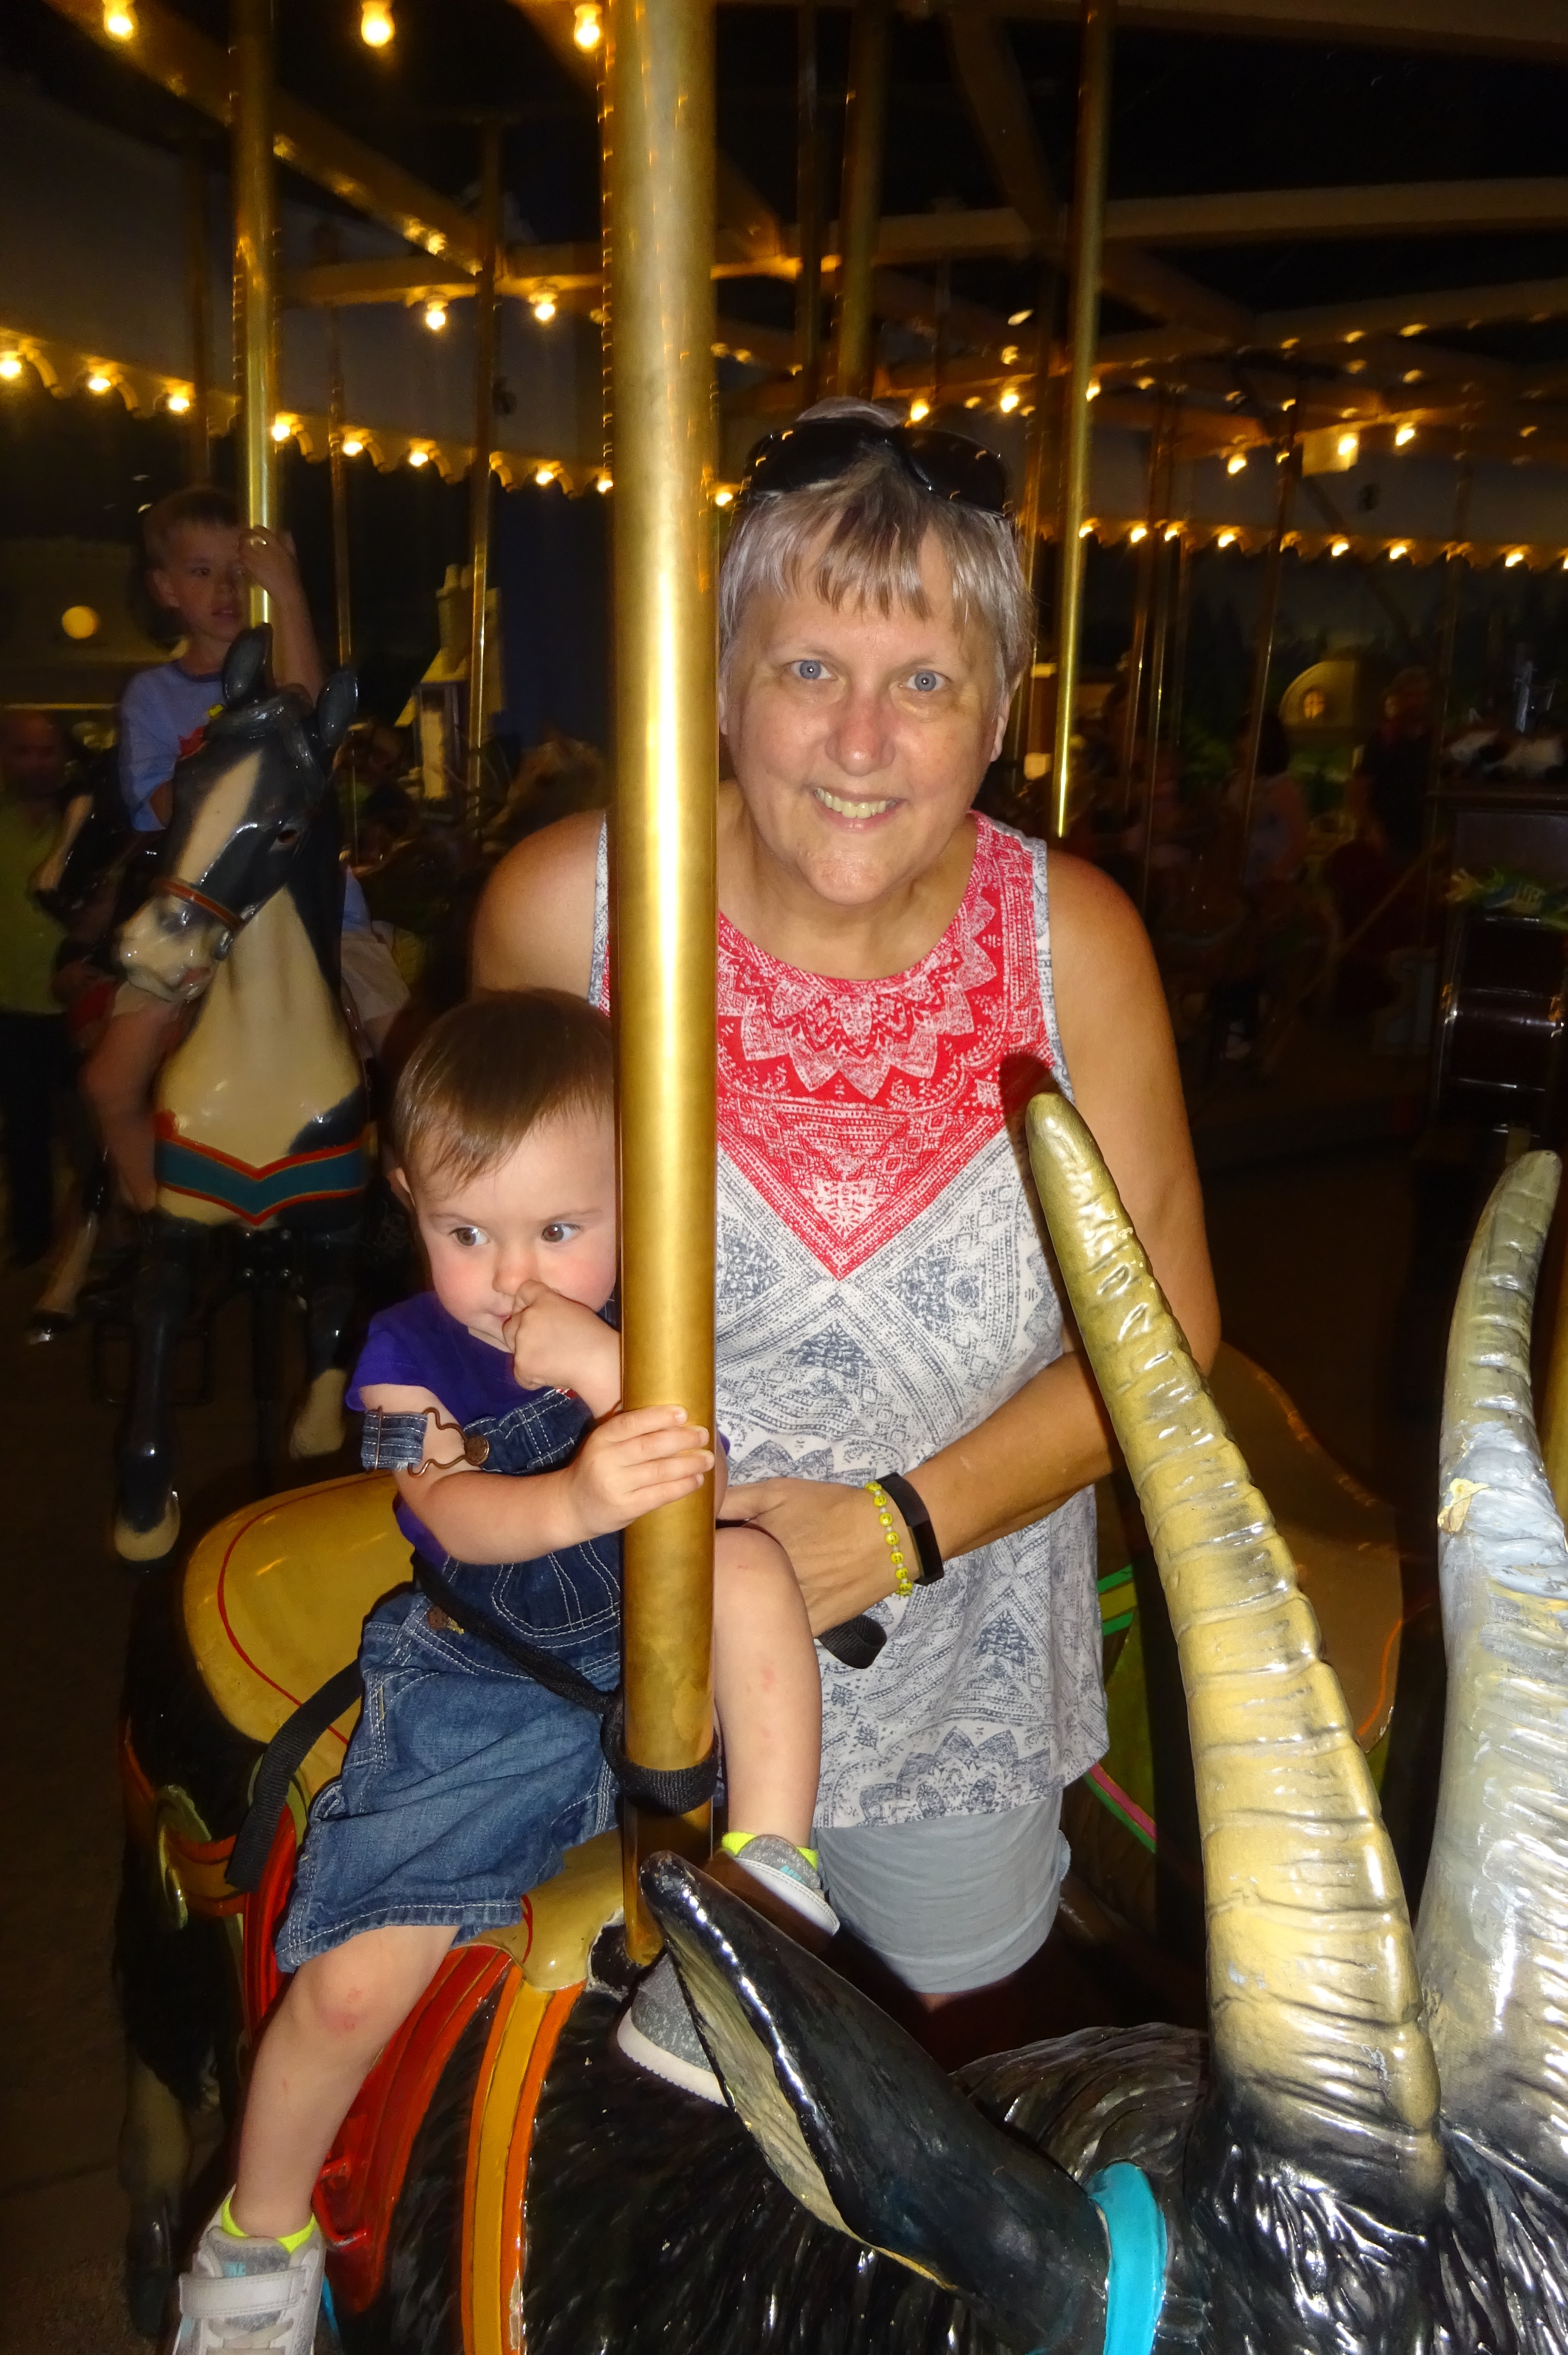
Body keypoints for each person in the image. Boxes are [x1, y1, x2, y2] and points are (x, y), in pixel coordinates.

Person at [473, 401, 1219, 2011]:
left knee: (954, 2032)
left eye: (924, 684)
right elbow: (481, 1261)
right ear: (722, 683)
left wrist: (898, 1526)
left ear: (998, 710)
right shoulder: (570, 914)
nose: (861, 744)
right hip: (612, 1623)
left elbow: (1164, 1341)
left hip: (950, 1653)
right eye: (809, 669)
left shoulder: (1074, 948)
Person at [170, 991, 831, 2354]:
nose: (510, 1275)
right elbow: (446, 1510)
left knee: (754, 1572)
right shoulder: (402, 1359)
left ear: (634, 1200)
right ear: (408, 1204)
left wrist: (614, 1370)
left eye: (558, 1230)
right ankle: (258, 2234)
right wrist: (577, 1493)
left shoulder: (652, 1317)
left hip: (650, 1657)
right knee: (352, 1982)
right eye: (465, 1233)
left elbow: (712, 1473)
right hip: (486, 1682)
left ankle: (769, 1880)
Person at [83, 486, 407, 1208]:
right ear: (166, 588)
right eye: (201, 572)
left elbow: (317, 733)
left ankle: (400, 1208)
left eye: (238, 571)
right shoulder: (152, 695)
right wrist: (230, 772)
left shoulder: (280, 679)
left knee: (410, 1065)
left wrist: (288, 593)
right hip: (200, 918)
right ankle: (159, 1216)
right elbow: (157, 806)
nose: (226, 590)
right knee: (109, 1082)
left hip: (320, 920)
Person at [0, 709, 73, 1265]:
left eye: (46, 751)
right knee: (24, 1133)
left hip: (81, 1002)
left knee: (93, 1130)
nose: (37, 763)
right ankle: (33, 1238)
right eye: (24, 751)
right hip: (12, 1005)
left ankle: (95, 1244)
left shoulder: (86, 819)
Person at [1349, 667, 1433, 867]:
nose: (1416, 702)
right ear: (1399, 699)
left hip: (1424, 842)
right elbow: (1359, 790)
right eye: (1410, 695)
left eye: (1421, 695)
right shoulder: (1383, 740)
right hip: (1387, 842)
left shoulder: (1435, 740)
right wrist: (1371, 828)